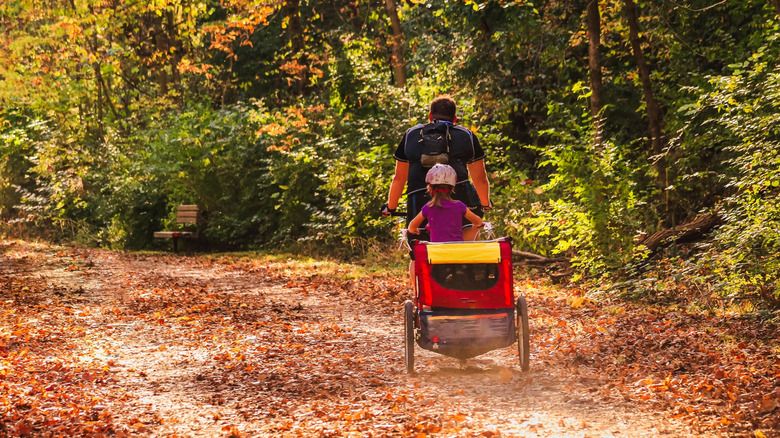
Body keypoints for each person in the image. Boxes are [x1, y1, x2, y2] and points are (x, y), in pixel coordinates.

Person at [382, 95, 492, 243]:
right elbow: (480, 179)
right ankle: (463, 262)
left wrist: (391, 207)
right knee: (467, 242)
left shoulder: (411, 134)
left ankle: (419, 261)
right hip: (459, 195)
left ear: (429, 116)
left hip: (418, 196)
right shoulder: (466, 135)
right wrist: (485, 204)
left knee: (419, 254)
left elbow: (399, 178)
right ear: (454, 119)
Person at [408, 164, 484, 241]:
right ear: (452, 188)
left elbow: (411, 227)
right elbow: (478, 221)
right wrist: (477, 224)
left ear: (430, 188)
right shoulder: (460, 206)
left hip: (437, 251)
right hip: (456, 250)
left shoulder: (428, 207)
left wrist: (414, 230)